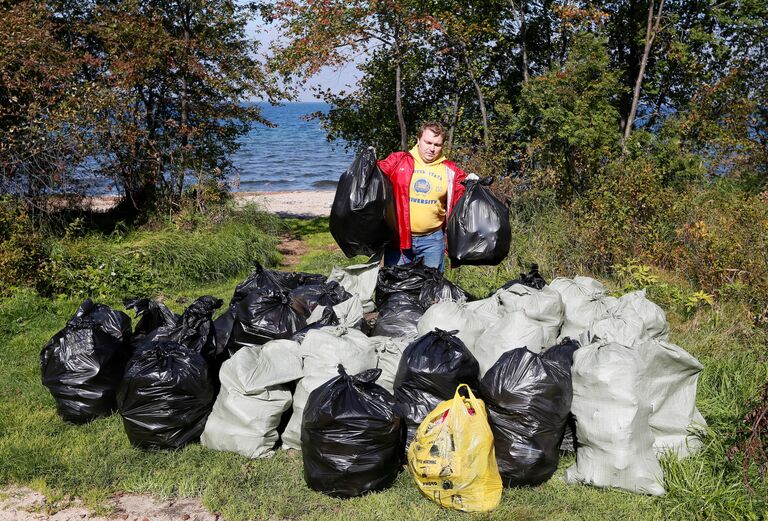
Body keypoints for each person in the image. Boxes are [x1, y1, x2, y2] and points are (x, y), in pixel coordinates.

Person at [377, 121, 474, 272]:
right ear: (418, 140)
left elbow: (461, 196)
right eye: (428, 142)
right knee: (396, 290)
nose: (432, 149)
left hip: (432, 241)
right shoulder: (398, 161)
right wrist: (368, 162)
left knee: (431, 289)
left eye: (437, 144)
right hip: (399, 240)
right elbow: (375, 176)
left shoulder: (450, 171)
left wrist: (472, 185)